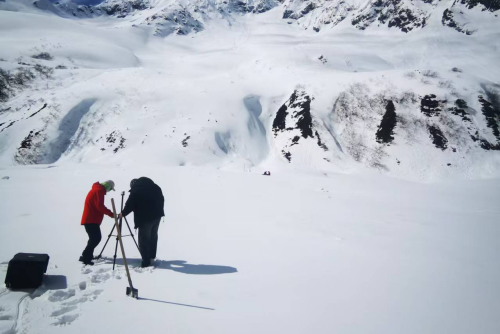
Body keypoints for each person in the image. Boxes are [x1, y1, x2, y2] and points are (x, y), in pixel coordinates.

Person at [119, 177, 164, 267]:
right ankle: (151, 256)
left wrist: (123, 213)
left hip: (145, 218)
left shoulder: (136, 189)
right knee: (153, 236)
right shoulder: (156, 187)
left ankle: (146, 262)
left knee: (144, 239)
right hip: (157, 216)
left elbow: (130, 204)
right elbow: (162, 200)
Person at [80, 180, 115, 265]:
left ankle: (87, 255)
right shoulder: (99, 191)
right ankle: (86, 258)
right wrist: (111, 214)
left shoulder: (97, 190)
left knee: (93, 238)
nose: (108, 191)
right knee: (96, 238)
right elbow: (99, 206)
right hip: (91, 219)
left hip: (91, 219)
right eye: (110, 189)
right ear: (108, 187)